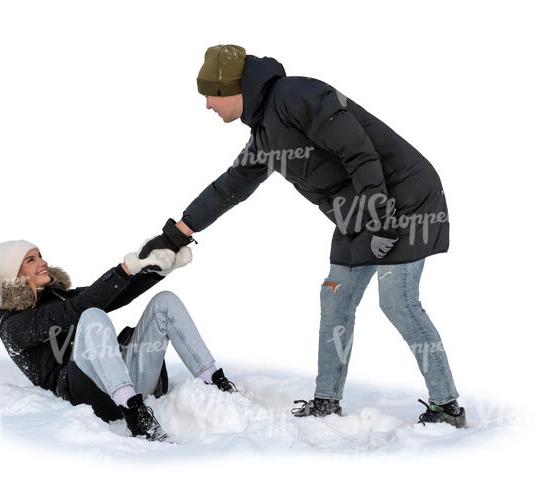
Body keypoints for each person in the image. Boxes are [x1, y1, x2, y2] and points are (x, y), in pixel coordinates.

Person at [138, 44, 465, 428]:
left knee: (398, 301)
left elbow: (358, 151)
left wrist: (382, 218)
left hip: (404, 199)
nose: (208, 105)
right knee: (334, 297)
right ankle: (327, 400)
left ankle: (447, 406)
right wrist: (178, 232)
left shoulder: (298, 96)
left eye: (210, 95)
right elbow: (231, 186)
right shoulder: (264, 135)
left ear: (230, 89)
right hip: (359, 212)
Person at [0, 239, 236, 442]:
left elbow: (114, 297)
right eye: (31, 259)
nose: (43, 261)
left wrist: (156, 271)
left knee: (164, 302)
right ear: (13, 273)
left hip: (123, 379)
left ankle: (215, 382)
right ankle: (135, 416)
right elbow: (81, 308)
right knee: (91, 314)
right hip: (90, 397)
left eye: (40, 255)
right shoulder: (12, 327)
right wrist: (125, 269)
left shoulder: (58, 297)